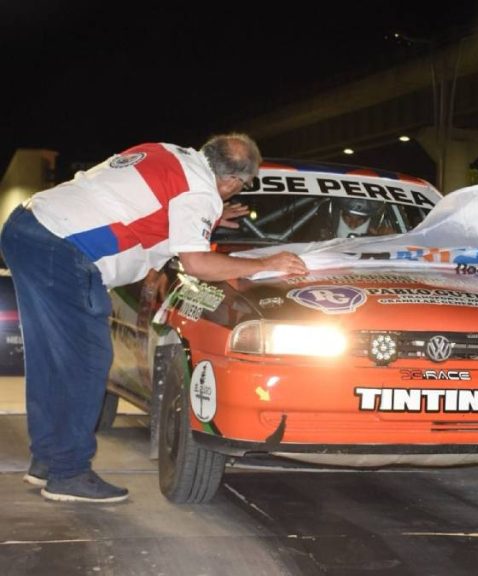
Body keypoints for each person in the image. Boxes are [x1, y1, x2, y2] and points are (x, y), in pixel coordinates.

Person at [0, 134, 308, 503]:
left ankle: (48, 462)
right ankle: (69, 474)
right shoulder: (200, 193)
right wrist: (266, 263)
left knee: (52, 357)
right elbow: (198, 263)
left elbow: (144, 199)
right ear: (232, 182)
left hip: (27, 227)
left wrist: (205, 215)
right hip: (63, 249)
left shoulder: (168, 153)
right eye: (239, 186)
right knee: (87, 360)